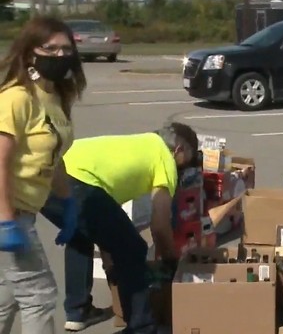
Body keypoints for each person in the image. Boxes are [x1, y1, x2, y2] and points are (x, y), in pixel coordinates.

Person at [41, 122, 198, 333]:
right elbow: (160, 225)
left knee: (81, 236)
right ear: (179, 150)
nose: (185, 167)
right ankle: (142, 326)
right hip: (76, 181)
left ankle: (78, 310)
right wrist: (171, 261)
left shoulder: (141, 143)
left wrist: (111, 264)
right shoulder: (165, 159)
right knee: (133, 248)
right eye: (188, 159)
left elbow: (106, 221)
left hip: (45, 176)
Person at [0, 17, 87, 333]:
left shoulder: (56, 99)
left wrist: (67, 204)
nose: (60, 55)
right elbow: (1, 162)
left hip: (25, 211)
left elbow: (54, 157)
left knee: (8, 294)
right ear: (29, 53)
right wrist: (6, 220)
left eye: (66, 49)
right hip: (9, 212)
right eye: (50, 48)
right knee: (39, 296)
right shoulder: (16, 98)